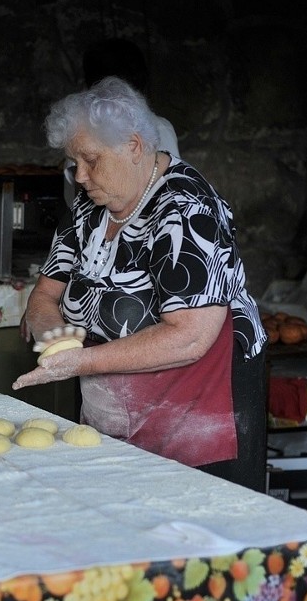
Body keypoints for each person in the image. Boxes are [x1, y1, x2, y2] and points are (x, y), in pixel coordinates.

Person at [14, 76, 268, 491]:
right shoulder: (91, 206)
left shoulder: (185, 210)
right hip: (112, 403)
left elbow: (189, 337)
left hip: (195, 413)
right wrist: (55, 341)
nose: (79, 176)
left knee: (194, 537)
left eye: (91, 160)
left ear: (133, 146)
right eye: (73, 163)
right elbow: (45, 294)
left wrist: (78, 362)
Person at [62, 38, 179, 207]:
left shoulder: (159, 129)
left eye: (92, 160)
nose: (80, 176)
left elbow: (167, 193)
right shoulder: (81, 133)